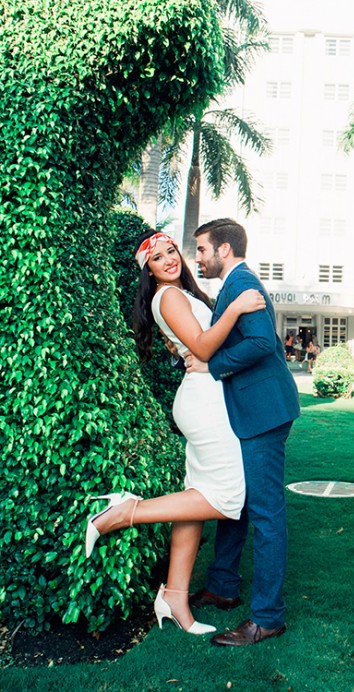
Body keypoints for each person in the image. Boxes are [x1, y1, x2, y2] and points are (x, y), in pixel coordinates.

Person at [84, 230, 266, 636]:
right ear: (147, 271)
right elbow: (202, 349)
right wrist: (234, 308)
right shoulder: (167, 296)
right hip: (204, 403)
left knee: (194, 500)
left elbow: (202, 348)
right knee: (226, 498)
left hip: (207, 397)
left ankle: (175, 597)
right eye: (157, 258)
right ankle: (122, 513)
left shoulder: (183, 294)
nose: (169, 260)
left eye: (171, 252)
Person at [188, 218, 301, 647]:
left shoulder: (241, 284)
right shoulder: (233, 285)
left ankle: (267, 618)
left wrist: (210, 366)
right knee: (237, 500)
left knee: (267, 513)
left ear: (224, 250)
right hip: (252, 410)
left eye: (201, 250)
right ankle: (222, 585)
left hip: (264, 412)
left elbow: (261, 344)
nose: (197, 257)